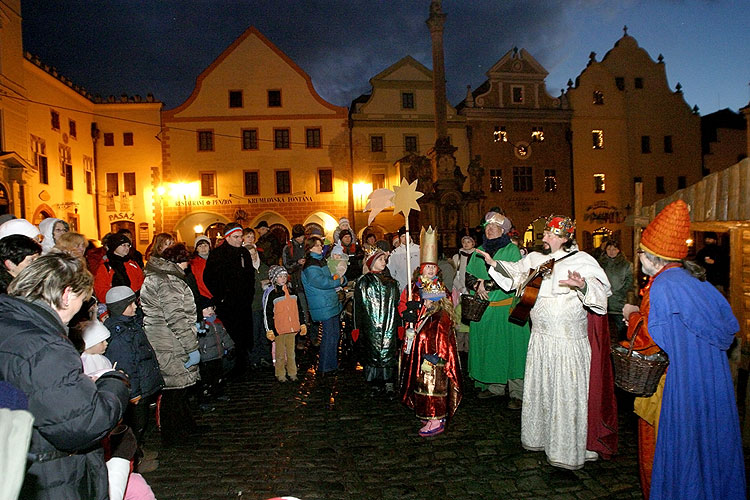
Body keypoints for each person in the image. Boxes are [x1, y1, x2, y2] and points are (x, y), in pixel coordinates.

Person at [622, 200, 746, 500]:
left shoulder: (664, 286)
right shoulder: (694, 280)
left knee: (678, 445)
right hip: (709, 378)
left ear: (654, 257)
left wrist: (632, 316)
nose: (639, 256)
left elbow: (650, 340)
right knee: (708, 443)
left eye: (641, 252)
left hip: (677, 381)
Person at [477, 214, 613, 470]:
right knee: (543, 391)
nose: (545, 237)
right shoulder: (536, 259)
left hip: (567, 343)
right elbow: (516, 275)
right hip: (540, 340)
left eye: (550, 234)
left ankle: (568, 449)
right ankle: (540, 438)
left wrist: (582, 285)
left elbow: (601, 295)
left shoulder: (583, 261)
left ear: (565, 237)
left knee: (565, 394)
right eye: (546, 233)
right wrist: (493, 263)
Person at [0, 253, 130, 499]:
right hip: (51, 477)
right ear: (67, 294)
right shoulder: (45, 346)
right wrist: (113, 382)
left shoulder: (9, 321)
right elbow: (82, 424)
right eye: (83, 299)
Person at [398, 226, 462, 437]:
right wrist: (408, 313)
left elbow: (446, 312)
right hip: (419, 343)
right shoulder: (412, 288)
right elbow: (404, 307)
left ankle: (437, 417)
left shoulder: (441, 288)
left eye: (433, 268)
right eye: (427, 267)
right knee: (420, 379)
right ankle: (426, 413)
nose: (431, 271)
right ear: (420, 269)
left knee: (433, 379)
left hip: (437, 344)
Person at [465, 211, 530, 409]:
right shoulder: (478, 251)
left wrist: (486, 284)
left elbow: (513, 278)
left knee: (513, 351)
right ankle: (495, 387)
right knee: (491, 350)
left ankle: (517, 392)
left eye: (495, 227)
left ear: (503, 231)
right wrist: (477, 285)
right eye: (488, 227)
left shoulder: (511, 250)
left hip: (507, 311)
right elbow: (468, 276)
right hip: (484, 311)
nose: (490, 229)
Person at [140, 243, 201, 448]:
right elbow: (176, 317)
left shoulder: (159, 277)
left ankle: (186, 427)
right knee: (173, 390)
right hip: (169, 342)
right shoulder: (168, 281)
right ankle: (173, 436)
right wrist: (192, 347)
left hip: (165, 338)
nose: (187, 267)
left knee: (180, 389)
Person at [104, 286, 163, 470]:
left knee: (141, 425)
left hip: (144, 383)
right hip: (138, 389)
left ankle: (140, 451)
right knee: (135, 425)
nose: (136, 307)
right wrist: (134, 392)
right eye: (132, 304)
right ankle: (134, 460)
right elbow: (127, 366)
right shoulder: (121, 334)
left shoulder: (131, 324)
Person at [204, 223, 255, 375]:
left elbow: (249, 276)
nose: (240, 240)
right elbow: (209, 278)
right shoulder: (217, 254)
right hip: (227, 305)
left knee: (243, 337)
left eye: (241, 237)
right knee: (229, 337)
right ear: (227, 237)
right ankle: (229, 368)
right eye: (236, 237)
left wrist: (248, 294)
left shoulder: (244, 253)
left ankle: (243, 366)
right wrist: (222, 296)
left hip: (243, 303)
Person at [353, 249, 400, 396]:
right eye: (380, 260)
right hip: (370, 326)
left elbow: (397, 306)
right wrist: (356, 327)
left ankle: (389, 382)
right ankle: (374, 383)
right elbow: (357, 307)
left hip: (389, 325)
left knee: (388, 352)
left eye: (384, 260)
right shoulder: (363, 282)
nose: (383, 262)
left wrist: (400, 325)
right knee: (372, 354)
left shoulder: (392, 283)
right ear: (372, 263)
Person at [301, 235, 347, 375]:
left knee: (334, 334)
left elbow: (330, 277)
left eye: (321, 245)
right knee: (329, 336)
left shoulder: (320, 261)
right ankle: (325, 367)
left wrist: (339, 278)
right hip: (323, 304)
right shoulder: (311, 265)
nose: (321, 247)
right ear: (310, 248)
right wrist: (338, 281)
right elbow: (321, 282)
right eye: (317, 245)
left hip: (328, 302)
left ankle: (331, 364)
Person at [264, 265, 307, 382]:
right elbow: (267, 313)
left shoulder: (292, 292)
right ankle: (280, 373)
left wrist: (302, 323)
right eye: (279, 276)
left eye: (284, 276)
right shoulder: (272, 294)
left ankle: (293, 372)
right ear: (274, 279)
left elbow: (299, 309)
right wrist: (270, 329)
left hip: (292, 328)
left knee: (291, 352)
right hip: (279, 329)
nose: (283, 279)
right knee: (280, 354)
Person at [195, 298, 235, 401]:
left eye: (211, 308)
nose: (210, 311)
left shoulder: (217, 322)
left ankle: (218, 392)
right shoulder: (200, 325)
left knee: (218, 376)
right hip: (206, 357)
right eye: (206, 308)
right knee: (206, 379)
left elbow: (224, 335)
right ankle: (204, 398)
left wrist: (230, 347)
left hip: (218, 354)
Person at [597, 239, 634, 341]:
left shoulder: (626, 265)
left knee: (621, 330)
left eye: (614, 249)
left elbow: (629, 282)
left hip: (619, 303)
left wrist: (620, 293)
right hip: (603, 301)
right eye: (609, 249)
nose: (611, 251)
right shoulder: (600, 264)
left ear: (618, 250)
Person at [93, 232, 145, 303]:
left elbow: (141, 283)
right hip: (116, 305)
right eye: (123, 245)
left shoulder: (133, 264)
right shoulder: (106, 267)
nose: (127, 248)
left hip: (134, 303)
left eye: (128, 245)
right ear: (114, 246)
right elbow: (101, 290)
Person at [283, 223, 310, 328]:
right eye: (298, 237)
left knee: (311, 309)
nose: (301, 239)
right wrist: (298, 263)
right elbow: (287, 266)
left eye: (302, 236)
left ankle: (313, 336)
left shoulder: (308, 245)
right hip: (297, 283)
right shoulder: (288, 248)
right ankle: (303, 335)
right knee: (302, 309)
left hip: (309, 281)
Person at [387, 226, 420, 293]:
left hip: (417, 285)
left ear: (410, 236)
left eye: (407, 235)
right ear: (400, 238)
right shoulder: (395, 253)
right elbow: (391, 271)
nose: (405, 238)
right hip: (402, 286)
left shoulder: (419, 249)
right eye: (403, 236)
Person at [189, 235, 213, 301]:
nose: (203, 248)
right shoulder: (192, 263)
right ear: (196, 249)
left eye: (205, 245)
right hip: (201, 296)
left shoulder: (216, 260)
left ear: (209, 247)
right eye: (200, 246)